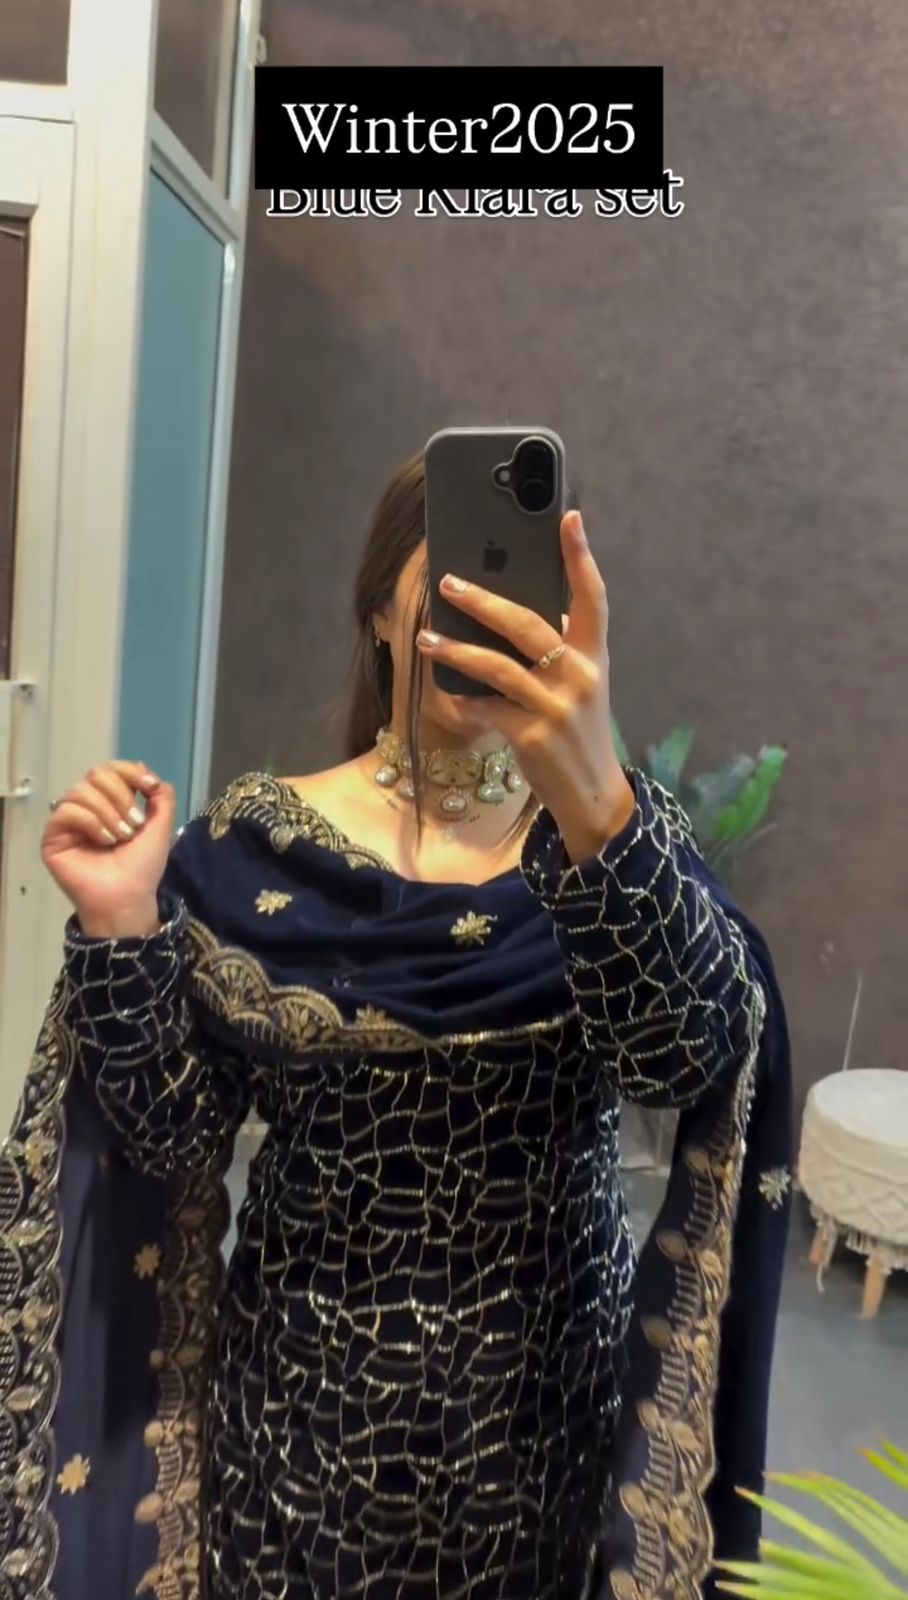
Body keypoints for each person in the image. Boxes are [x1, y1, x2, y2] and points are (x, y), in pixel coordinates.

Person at [1, 452, 792, 1600]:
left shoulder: (615, 844)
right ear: (380, 611)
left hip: (546, 1447)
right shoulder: (257, 853)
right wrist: (123, 922)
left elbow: (682, 1055)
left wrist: (596, 811)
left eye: (516, 596)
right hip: (295, 1452)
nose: (483, 618)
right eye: (453, 588)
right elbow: (169, 1139)